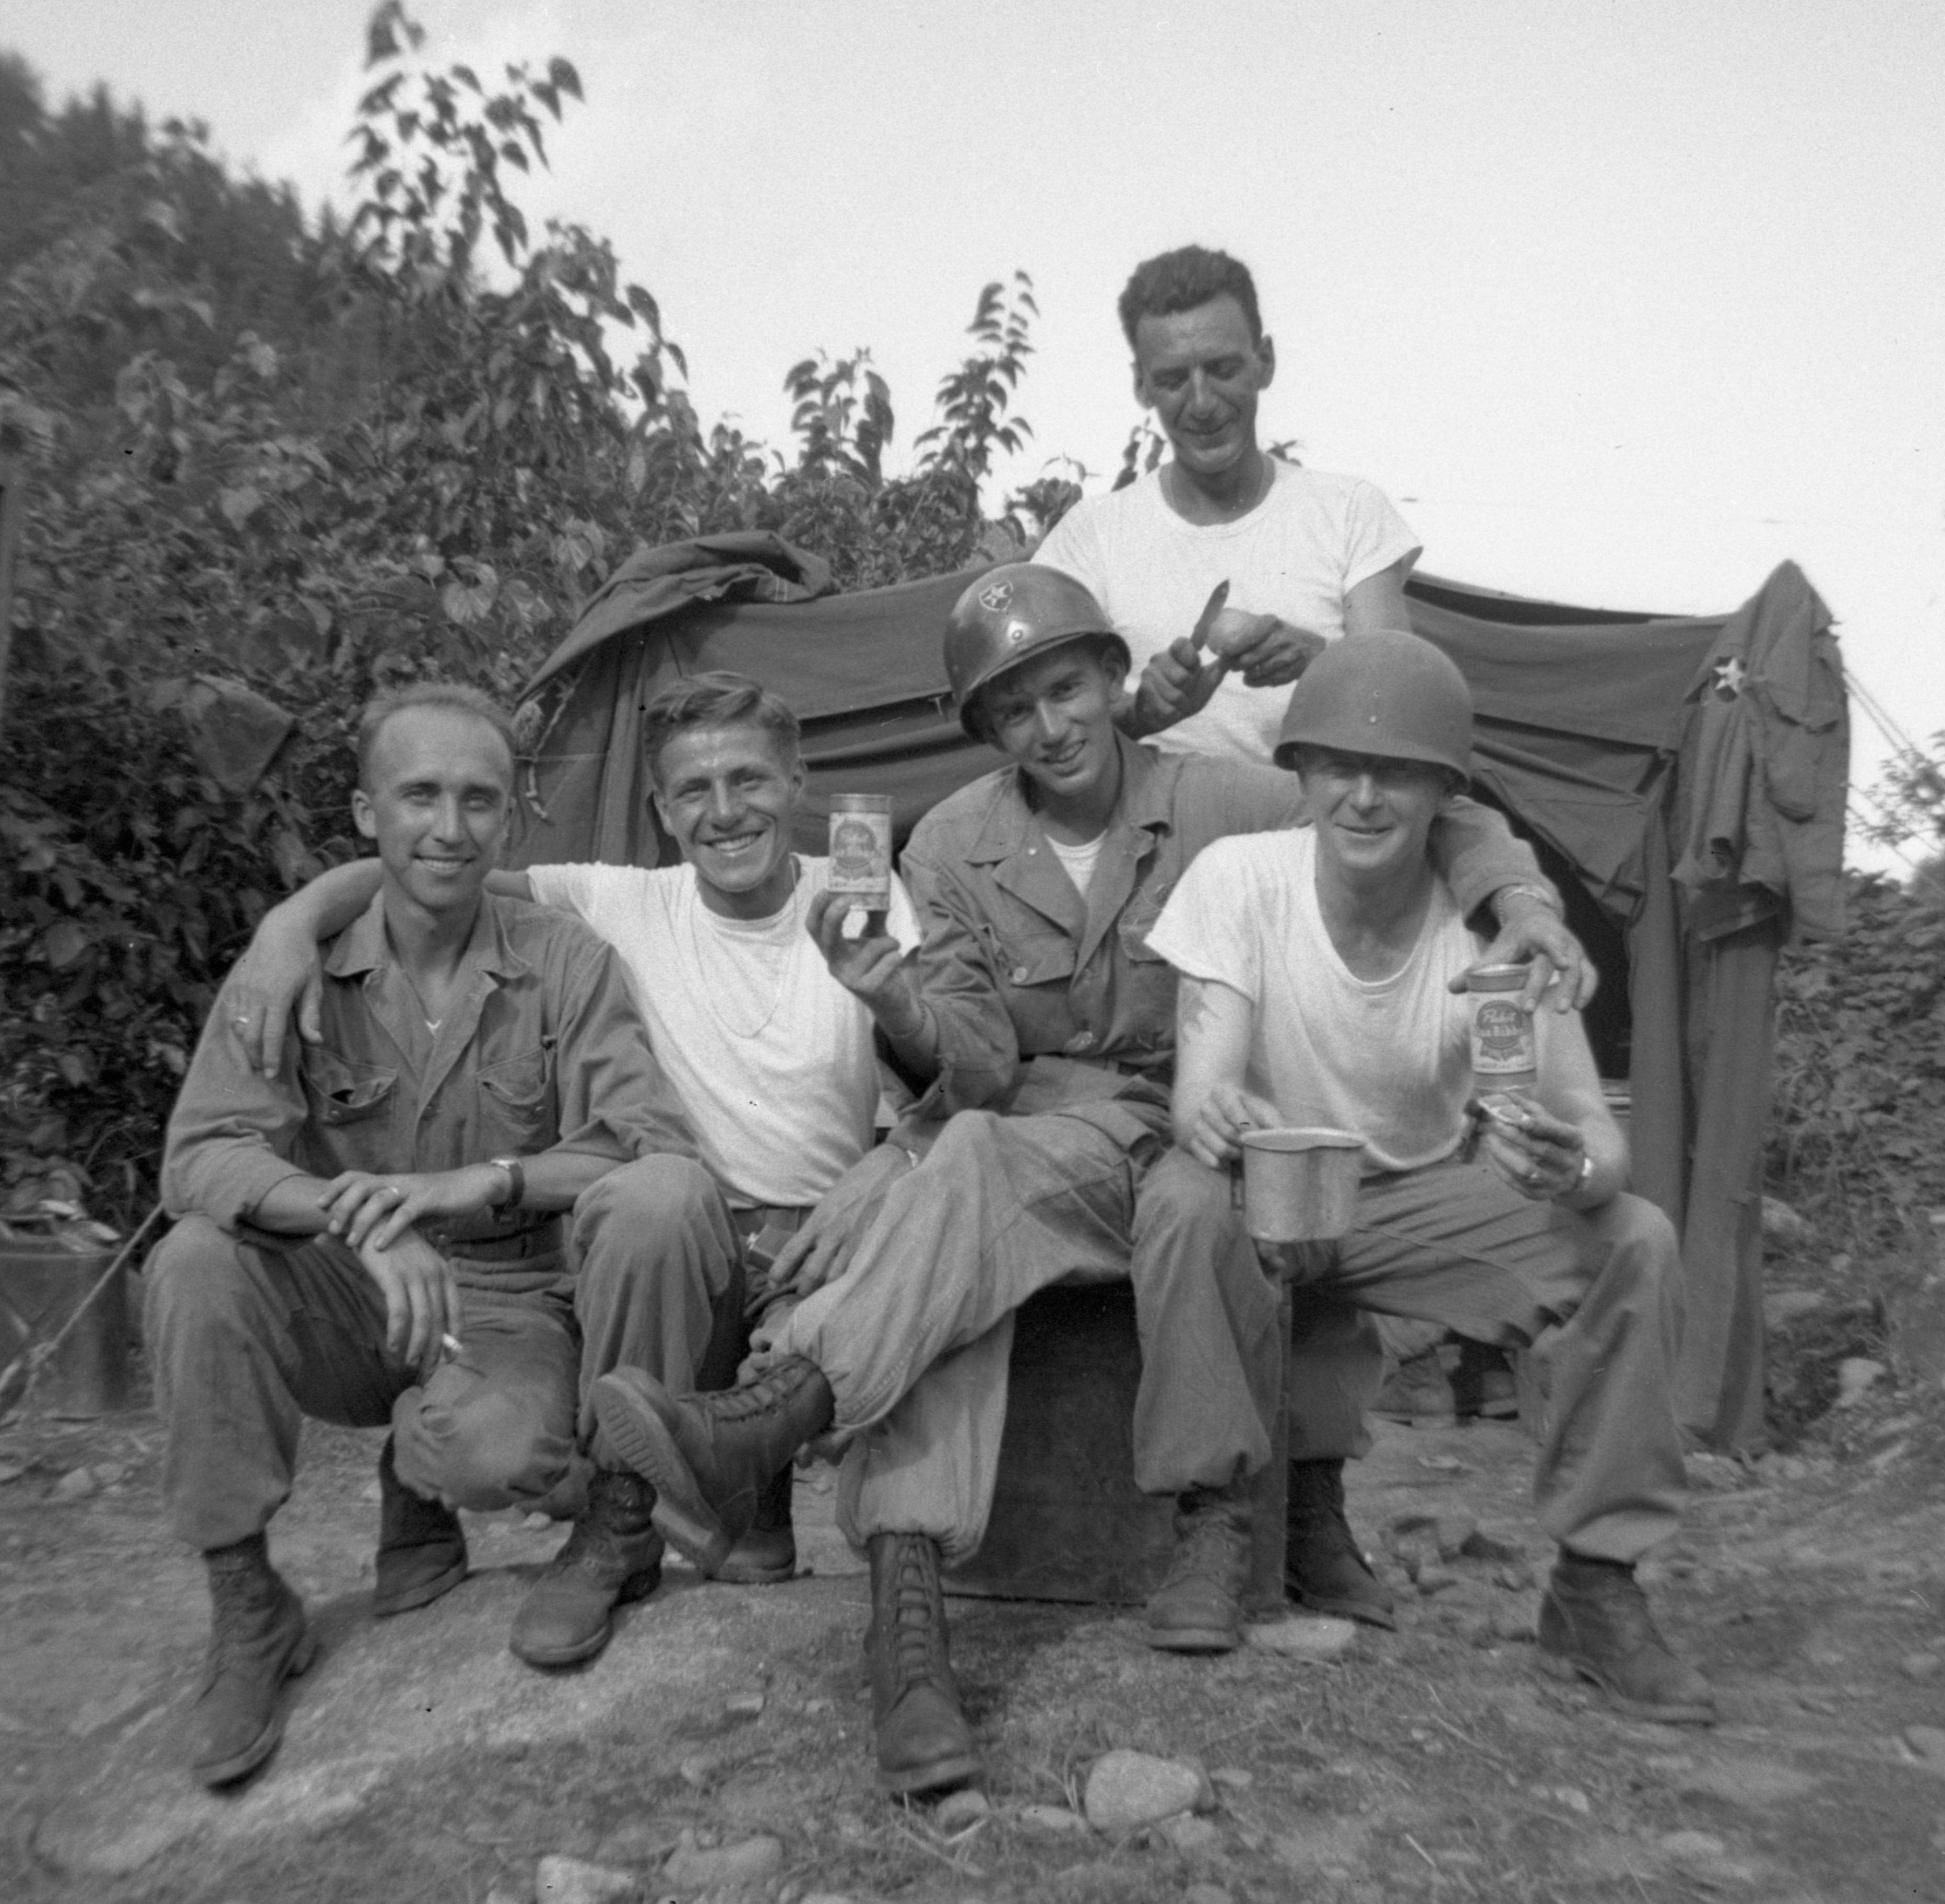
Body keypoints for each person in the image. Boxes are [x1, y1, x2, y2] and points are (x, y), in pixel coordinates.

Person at [585, 565, 1591, 1796]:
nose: (1049, 728)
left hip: (1202, 1124)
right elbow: (978, 1058)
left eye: (1066, 689)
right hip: (1045, 1137)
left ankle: (778, 1412)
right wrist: (891, 993)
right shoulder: (953, 839)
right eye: (1012, 710)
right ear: (985, 730)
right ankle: (869, 1567)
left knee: (965, 1166)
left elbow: (1419, 803)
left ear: (1117, 682)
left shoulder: (1223, 797)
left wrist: (1527, 903)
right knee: (959, 1154)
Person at [220, 671, 959, 1582]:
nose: (725, 811)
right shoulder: (626, 902)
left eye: (752, 780)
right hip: (684, 1250)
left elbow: (934, 1082)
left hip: (823, 1239)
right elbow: (433, 866)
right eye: (695, 789)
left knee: (760, 1552)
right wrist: (291, 925)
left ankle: (781, 1486)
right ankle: (617, 1521)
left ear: (797, 784)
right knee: (655, 1217)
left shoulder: (858, 894)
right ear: (662, 808)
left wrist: (893, 1060)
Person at [149, 683, 737, 1789]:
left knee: (506, 1450)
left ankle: (471, 1497)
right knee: (193, 1261)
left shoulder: (564, 961)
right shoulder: (294, 966)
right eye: (418, 796)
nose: (449, 829)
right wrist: (351, 1216)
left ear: (512, 819)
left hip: (510, 1302)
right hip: (346, 1292)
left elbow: (644, 1144)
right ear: (367, 814)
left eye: (478, 800)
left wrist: (486, 1182)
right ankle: (247, 1606)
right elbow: (204, 1156)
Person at [1145, 630, 1713, 1724]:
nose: (1364, 797)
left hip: (1411, 1203)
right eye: (1338, 768)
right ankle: (1217, 1520)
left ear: (1444, 793)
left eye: (1397, 771)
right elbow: (1197, 1091)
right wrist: (1219, 1116)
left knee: (1632, 1238)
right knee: (1178, 1192)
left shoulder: (1495, 935)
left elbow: (1599, 1133)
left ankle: (1597, 1586)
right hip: (1270, 1185)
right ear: (1301, 776)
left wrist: (1573, 1164)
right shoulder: (1242, 881)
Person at [1035, 244, 1420, 768]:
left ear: (1265, 362)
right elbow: (1045, 737)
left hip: (1314, 829)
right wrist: (1142, 715)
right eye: (1173, 379)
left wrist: (1321, 661)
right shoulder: (1088, 539)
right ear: (1141, 385)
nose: (1201, 404)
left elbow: (1409, 703)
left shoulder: (1350, 512)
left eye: (1222, 369)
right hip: (1155, 836)